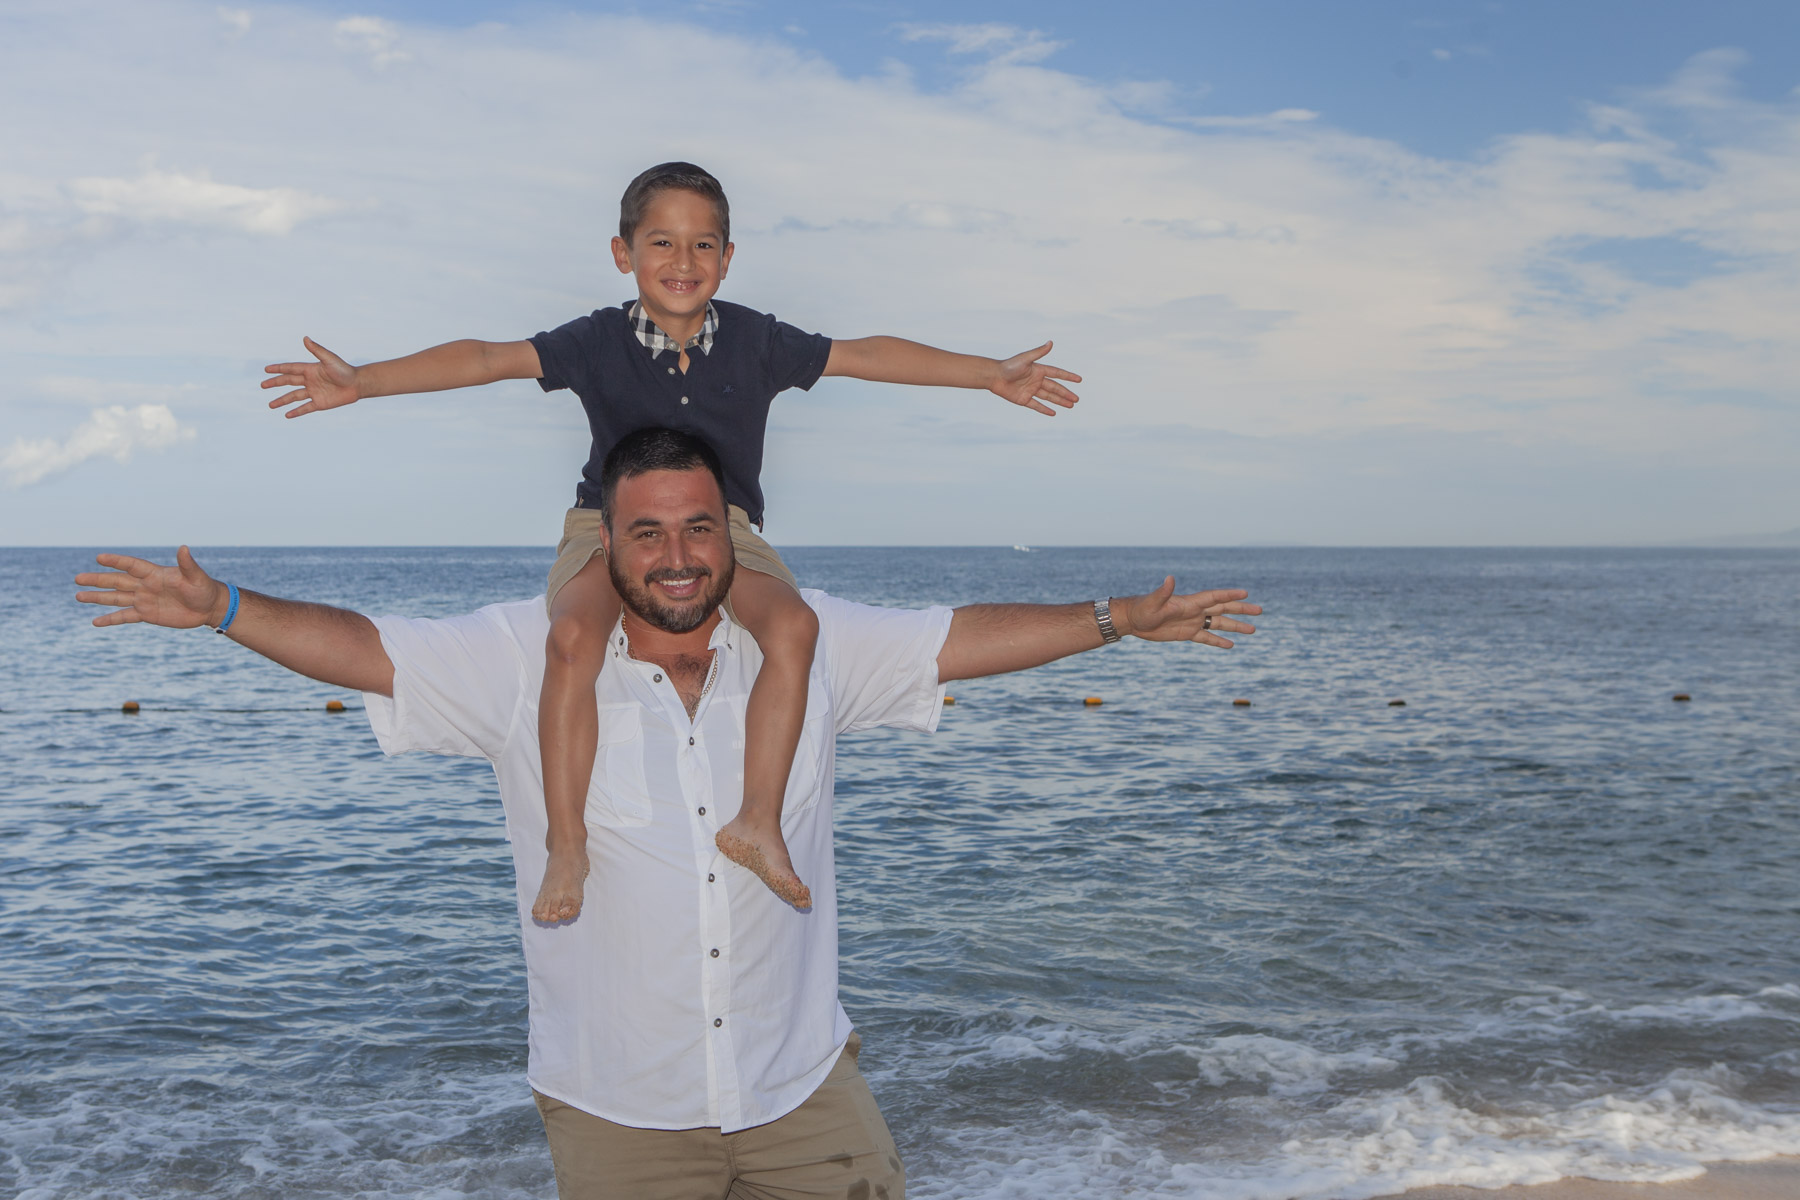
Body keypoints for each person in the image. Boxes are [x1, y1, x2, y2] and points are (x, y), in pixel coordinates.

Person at [74, 427, 1260, 1200]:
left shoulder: (809, 648)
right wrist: (223, 607)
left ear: (732, 535)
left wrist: (1117, 620)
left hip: (801, 1092)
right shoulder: (524, 658)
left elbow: (960, 639)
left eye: (700, 528)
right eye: (648, 533)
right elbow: (368, 650)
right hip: (620, 1115)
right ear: (608, 547)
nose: (678, 556)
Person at [258, 161, 1083, 923]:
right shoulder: (594, 341)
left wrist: (988, 373)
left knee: (794, 627)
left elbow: (864, 355)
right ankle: (567, 844)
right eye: (661, 242)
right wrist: (363, 382)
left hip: (725, 531)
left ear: (727, 257)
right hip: (605, 528)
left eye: (703, 244)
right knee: (573, 639)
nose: (683, 261)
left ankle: (757, 820)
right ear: (624, 253)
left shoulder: (758, 339)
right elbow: (484, 358)